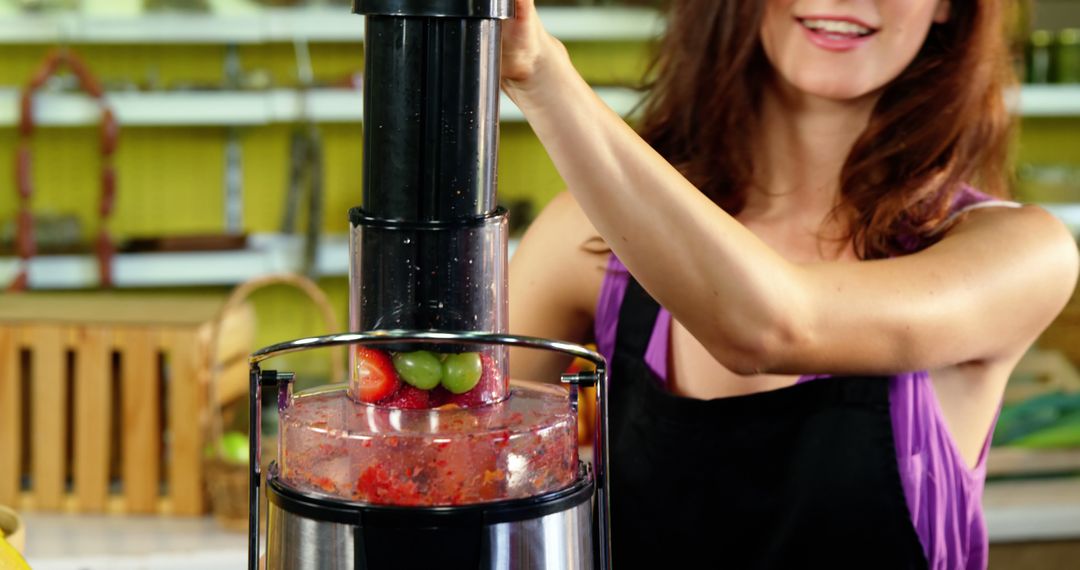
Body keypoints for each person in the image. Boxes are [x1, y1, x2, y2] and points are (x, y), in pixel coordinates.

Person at [502, 0, 1080, 568]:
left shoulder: (1020, 252)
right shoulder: (584, 236)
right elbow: (463, 456)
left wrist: (541, 75)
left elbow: (774, 327)